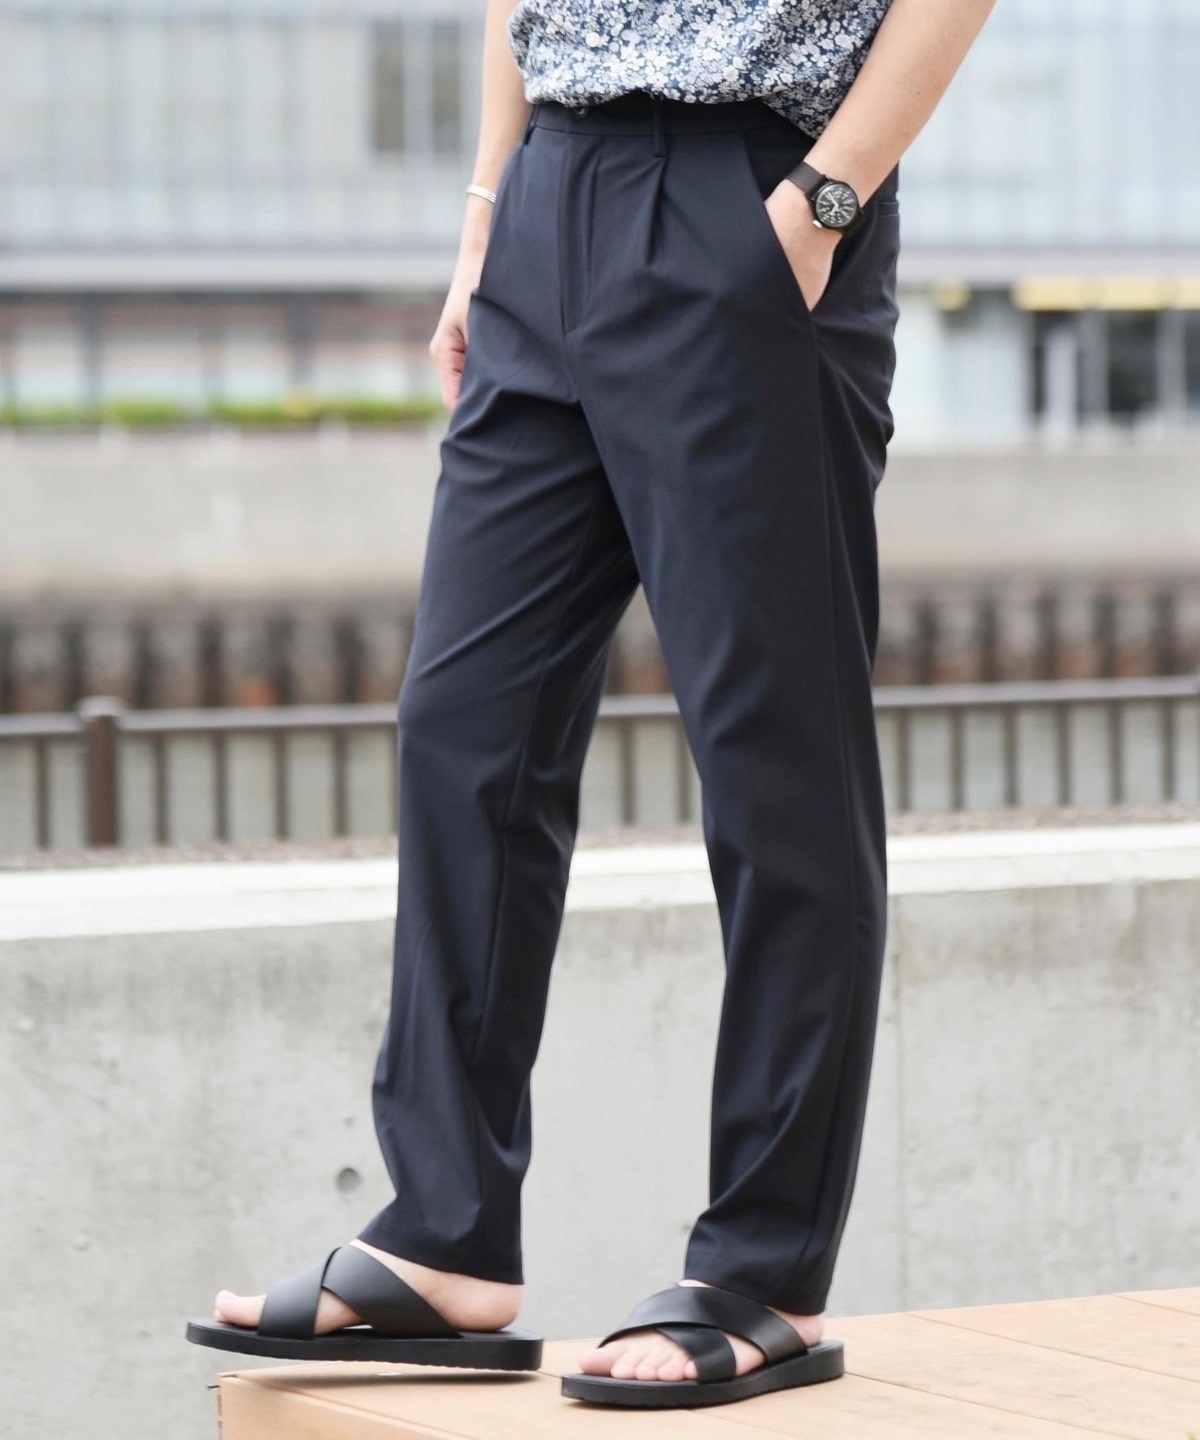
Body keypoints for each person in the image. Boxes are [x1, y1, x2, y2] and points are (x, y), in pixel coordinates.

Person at [187, 0, 997, 1409]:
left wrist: (823, 201)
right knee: (464, 733)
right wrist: (485, 221)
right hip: (548, 192)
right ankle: (444, 1237)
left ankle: (766, 1271)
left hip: (752, 186)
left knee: (775, 763)